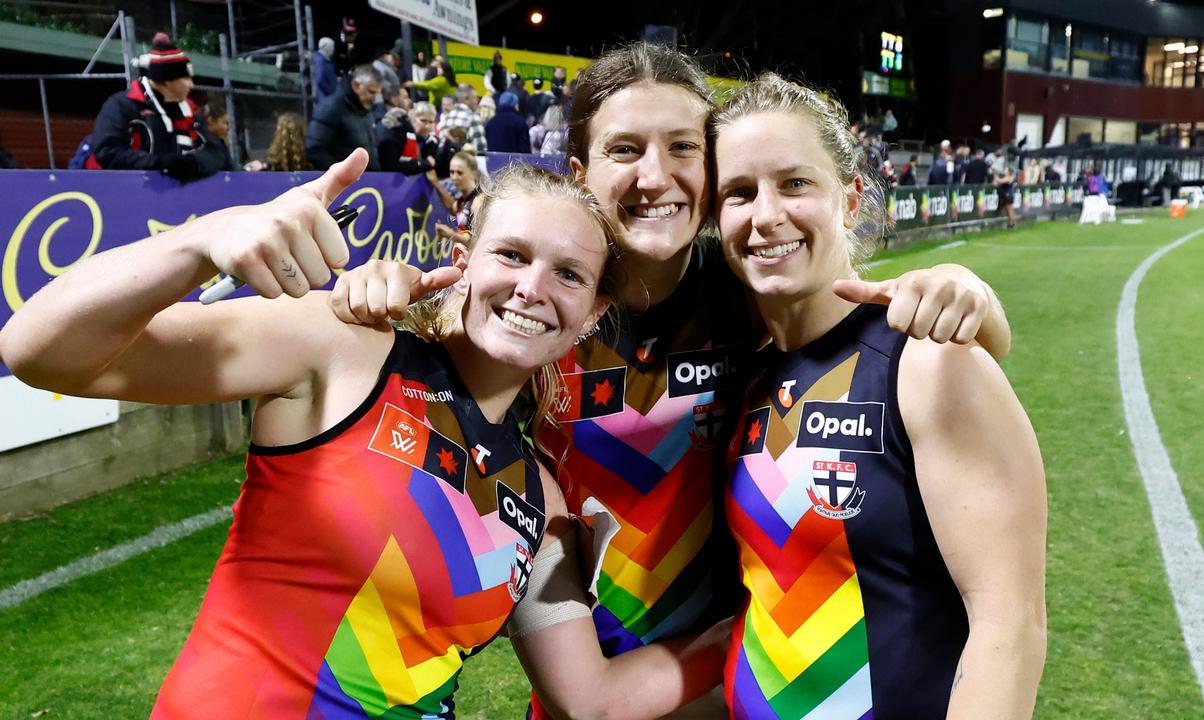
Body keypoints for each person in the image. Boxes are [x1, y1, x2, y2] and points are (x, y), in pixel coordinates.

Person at [329, 42, 1013, 719]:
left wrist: (966, 290)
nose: (655, 176)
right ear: (580, 170)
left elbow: (867, 342)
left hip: (724, 689)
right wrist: (373, 291)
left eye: (683, 148)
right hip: (588, 678)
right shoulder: (534, 313)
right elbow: (413, 352)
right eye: (625, 150)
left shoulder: (746, 289)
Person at [0, 151, 722, 717]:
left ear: (594, 313)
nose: (533, 287)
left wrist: (767, 640)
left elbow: (589, 700)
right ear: (464, 259)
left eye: (568, 274)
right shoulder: (346, 348)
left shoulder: (544, 501)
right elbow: (39, 349)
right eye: (511, 255)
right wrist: (203, 239)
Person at [710, 72, 1046, 720]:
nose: (766, 214)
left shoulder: (928, 361)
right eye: (739, 192)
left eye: (795, 183)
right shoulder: (749, 375)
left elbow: (1012, 627)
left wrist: (964, 284)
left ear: (851, 198)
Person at [87, 33, 228, 181]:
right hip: (128, 190)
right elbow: (106, 151)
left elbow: (216, 152)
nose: (191, 85)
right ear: (166, 81)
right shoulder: (122, 105)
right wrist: (156, 163)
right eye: (185, 78)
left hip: (180, 193)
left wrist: (192, 164)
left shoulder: (191, 111)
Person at [306, 64, 381, 171]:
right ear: (355, 85)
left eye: (377, 93)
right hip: (345, 183)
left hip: (369, 183)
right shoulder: (331, 107)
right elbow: (314, 149)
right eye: (371, 92)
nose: (374, 99)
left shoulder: (366, 110)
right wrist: (342, 174)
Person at [438, 83, 488, 155]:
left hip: (447, 164)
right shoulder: (473, 118)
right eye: (475, 97)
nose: (477, 100)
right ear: (466, 99)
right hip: (466, 163)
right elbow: (480, 150)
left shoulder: (445, 119)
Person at [313, 37, 338, 104]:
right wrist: (332, 92)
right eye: (332, 47)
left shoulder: (324, 60)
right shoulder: (320, 61)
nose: (333, 49)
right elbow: (320, 79)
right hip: (325, 98)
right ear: (327, 47)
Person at [996, 161, 1018, 229]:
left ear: (1008, 171)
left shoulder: (1009, 177)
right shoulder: (1007, 177)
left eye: (1006, 169)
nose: (1004, 170)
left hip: (1008, 194)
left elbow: (999, 181)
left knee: (1010, 210)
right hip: (1006, 194)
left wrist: (995, 175)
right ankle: (1010, 223)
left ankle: (1012, 224)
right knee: (1007, 210)